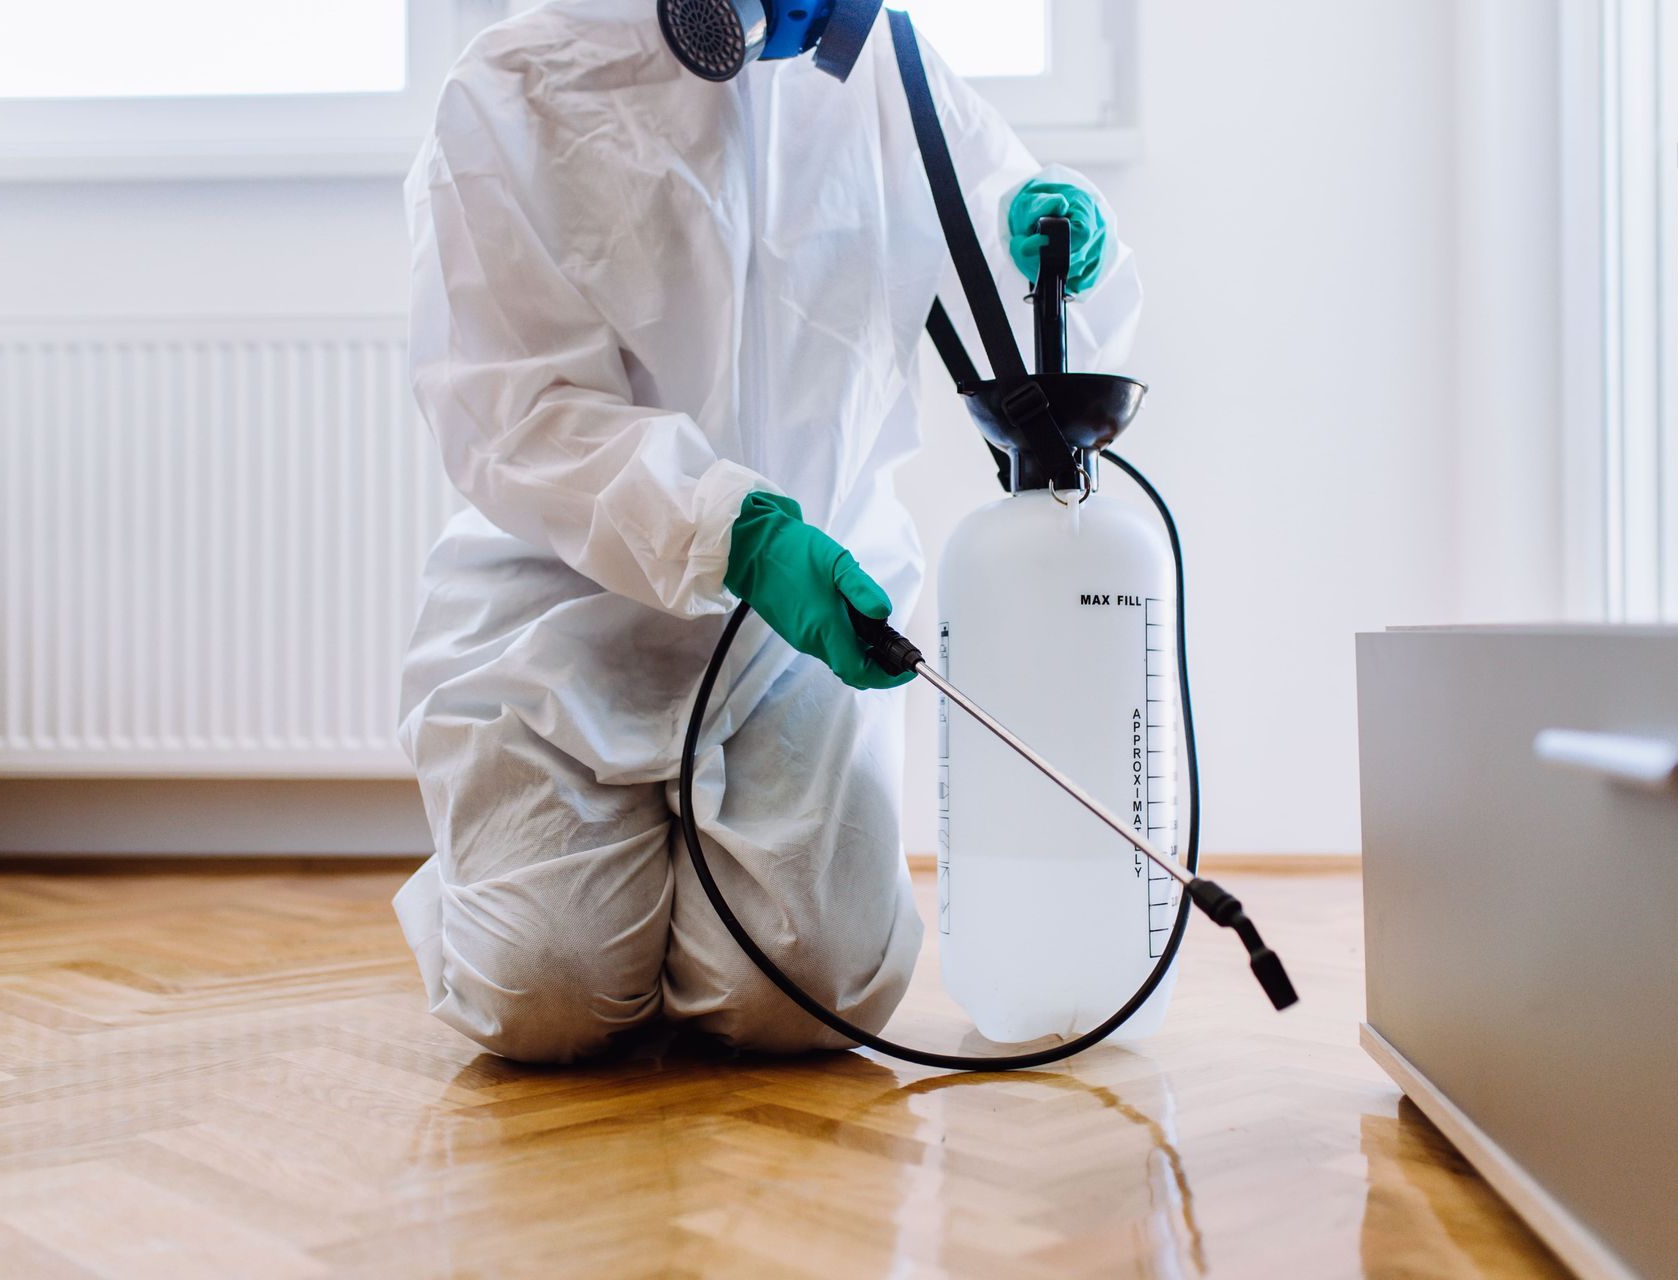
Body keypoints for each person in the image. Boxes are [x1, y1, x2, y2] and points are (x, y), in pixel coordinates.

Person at [393, 0, 1142, 1063]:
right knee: (544, 989)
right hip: (563, 620)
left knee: (808, 993)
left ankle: (676, 897)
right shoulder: (511, 84)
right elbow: (516, 412)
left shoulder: (889, 72)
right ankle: (551, 882)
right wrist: (726, 530)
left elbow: (1021, 301)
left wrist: (1062, 244)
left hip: (804, 625)